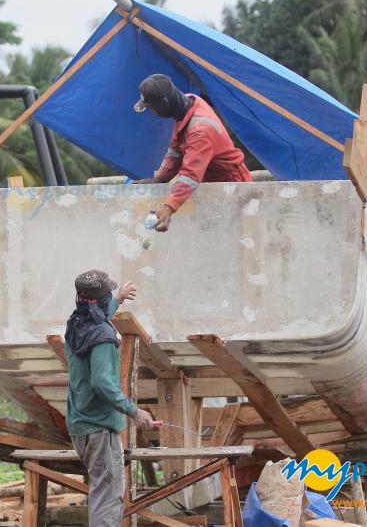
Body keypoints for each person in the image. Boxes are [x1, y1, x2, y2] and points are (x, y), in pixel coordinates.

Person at [64, 269, 155, 526]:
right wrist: (134, 411)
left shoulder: (76, 324)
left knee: (100, 490)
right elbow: (102, 383)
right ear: (100, 301)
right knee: (109, 496)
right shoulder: (103, 338)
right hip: (99, 429)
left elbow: (98, 317)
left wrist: (119, 299)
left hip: (79, 425)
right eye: (110, 295)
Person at [133, 73, 252, 231]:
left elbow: (190, 176)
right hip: (212, 185)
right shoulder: (187, 104)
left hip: (234, 189)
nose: (153, 112)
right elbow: (175, 152)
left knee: (235, 243)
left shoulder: (200, 129)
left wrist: (169, 207)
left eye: (152, 107)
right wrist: (159, 179)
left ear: (164, 104)